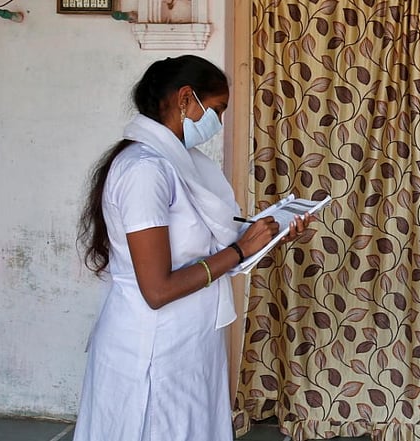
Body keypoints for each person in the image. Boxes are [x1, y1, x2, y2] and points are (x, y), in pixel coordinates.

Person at [74, 55, 314, 441]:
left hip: (190, 339)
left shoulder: (183, 164)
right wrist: (239, 251)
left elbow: (213, 245)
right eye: (217, 110)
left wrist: (270, 233)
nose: (217, 123)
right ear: (186, 99)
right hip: (152, 345)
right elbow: (157, 290)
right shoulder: (145, 170)